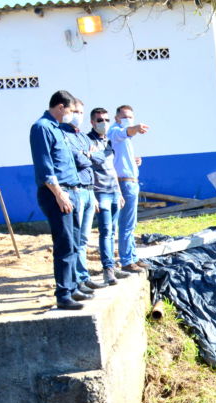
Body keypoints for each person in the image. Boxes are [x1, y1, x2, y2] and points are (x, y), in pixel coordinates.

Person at [29, 89, 89, 310]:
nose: (73, 115)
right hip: (57, 193)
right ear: (61, 107)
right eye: (72, 110)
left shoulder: (58, 129)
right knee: (64, 244)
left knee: (73, 242)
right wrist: (60, 194)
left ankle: (73, 287)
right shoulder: (41, 128)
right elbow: (46, 167)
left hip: (70, 191)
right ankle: (63, 293)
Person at [61, 98, 105, 291]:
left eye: (81, 113)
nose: (78, 116)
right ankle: (76, 280)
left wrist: (89, 155)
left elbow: (100, 158)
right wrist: (88, 156)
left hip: (89, 190)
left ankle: (84, 276)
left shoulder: (83, 137)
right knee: (75, 238)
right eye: (76, 112)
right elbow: (77, 159)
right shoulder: (64, 135)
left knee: (84, 239)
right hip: (76, 190)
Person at [88, 107, 130, 286]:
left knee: (113, 231)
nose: (103, 123)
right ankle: (107, 270)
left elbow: (112, 168)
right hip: (100, 192)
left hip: (113, 191)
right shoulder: (88, 141)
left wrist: (119, 192)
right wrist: (93, 196)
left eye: (105, 120)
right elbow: (87, 169)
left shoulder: (107, 141)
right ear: (92, 122)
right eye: (99, 120)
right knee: (105, 232)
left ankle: (113, 265)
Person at [108, 104, 150, 273]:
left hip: (131, 181)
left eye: (130, 117)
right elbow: (126, 132)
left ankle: (132, 256)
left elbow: (120, 157)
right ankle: (126, 260)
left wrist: (134, 161)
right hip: (124, 182)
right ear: (117, 118)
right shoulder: (115, 131)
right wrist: (135, 128)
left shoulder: (125, 139)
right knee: (125, 223)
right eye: (124, 117)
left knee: (130, 224)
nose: (128, 120)